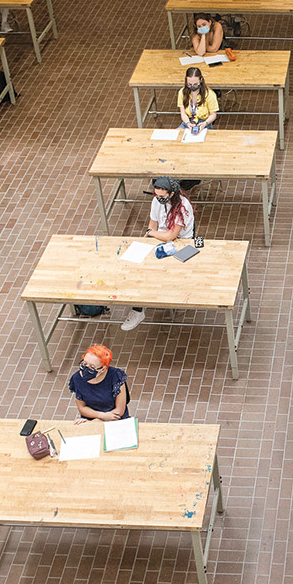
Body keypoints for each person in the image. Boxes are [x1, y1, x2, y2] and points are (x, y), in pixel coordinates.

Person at [122, 177, 195, 331]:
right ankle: (138, 310)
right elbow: (152, 224)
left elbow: (171, 236)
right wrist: (146, 239)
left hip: (181, 242)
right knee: (139, 268)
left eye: (162, 197)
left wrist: (151, 234)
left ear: (172, 193)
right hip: (159, 237)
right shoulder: (156, 201)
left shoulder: (182, 206)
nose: (159, 199)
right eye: (157, 196)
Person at [68, 345, 131, 423]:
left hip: (114, 419)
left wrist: (100, 420)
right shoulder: (77, 378)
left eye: (92, 367)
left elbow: (119, 411)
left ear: (103, 369)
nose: (86, 369)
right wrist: (100, 417)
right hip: (93, 418)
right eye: (84, 364)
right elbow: (82, 408)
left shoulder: (116, 376)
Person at [178, 67, 219, 131]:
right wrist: (188, 123)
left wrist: (205, 123)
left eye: (195, 84)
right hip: (188, 121)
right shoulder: (182, 92)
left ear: (201, 80)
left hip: (204, 123)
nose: (192, 87)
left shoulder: (209, 94)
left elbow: (213, 114)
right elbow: (183, 113)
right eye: (189, 84)